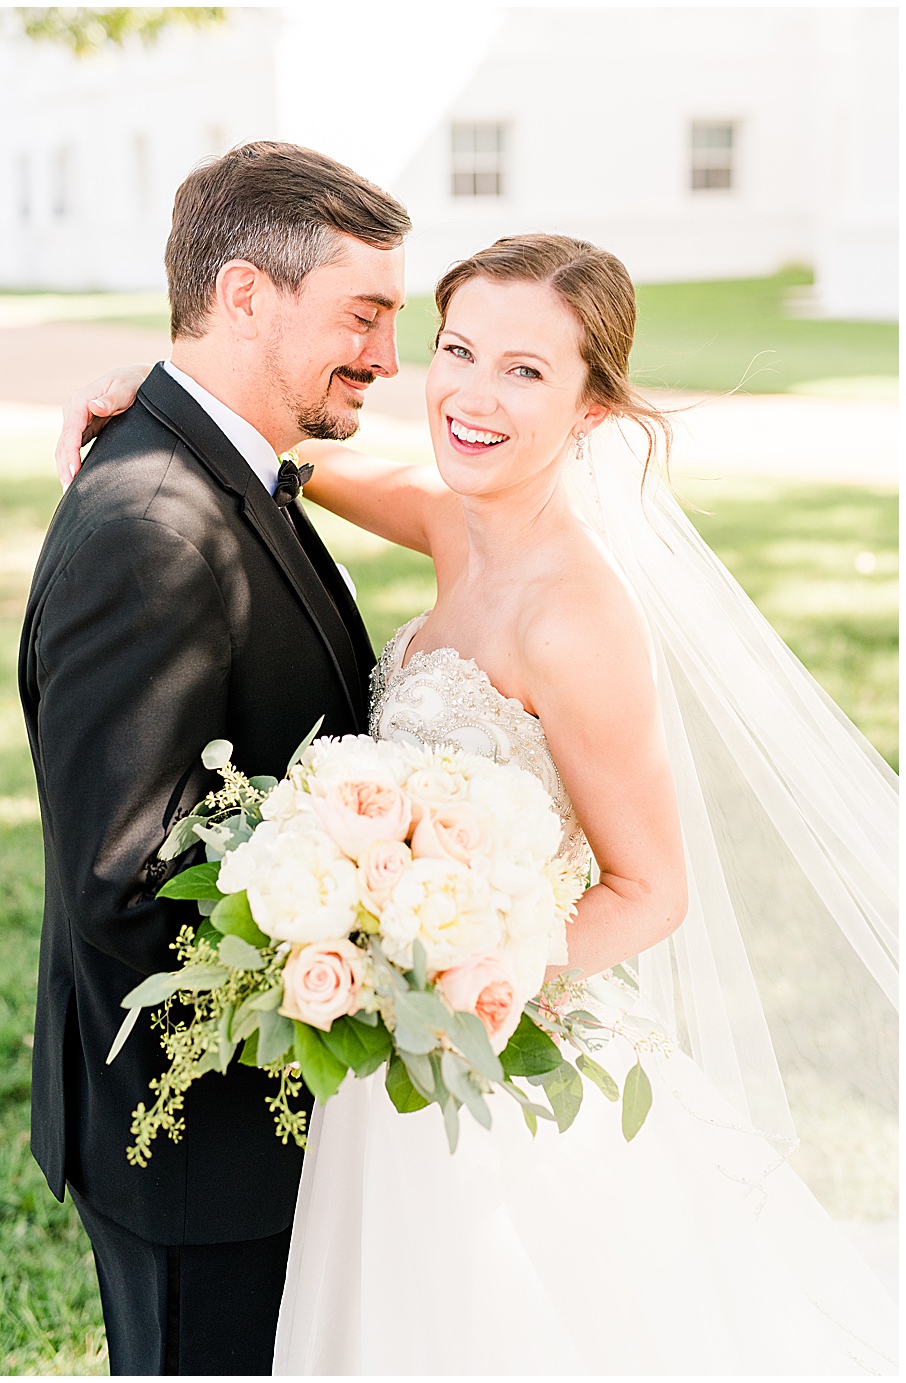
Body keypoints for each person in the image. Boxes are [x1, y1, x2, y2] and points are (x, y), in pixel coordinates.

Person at [52, 232, 898, 1372]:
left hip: (479, 1056)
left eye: (526, 372)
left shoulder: (576, 617)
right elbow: (271, 462)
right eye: (458, 350)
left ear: (591, 411)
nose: (472, 394)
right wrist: (146, 399)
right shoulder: (458, 520)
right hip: (371, 1072)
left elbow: (651, 890)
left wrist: (462, 973)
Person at [17, 140, 411, 1374]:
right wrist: (388, 945)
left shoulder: (230, 472)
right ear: (247, 296)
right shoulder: (153, 524)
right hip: (203, 1157)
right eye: (365, 314)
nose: (388, 358)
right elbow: (128, 882)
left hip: (277, 1132)